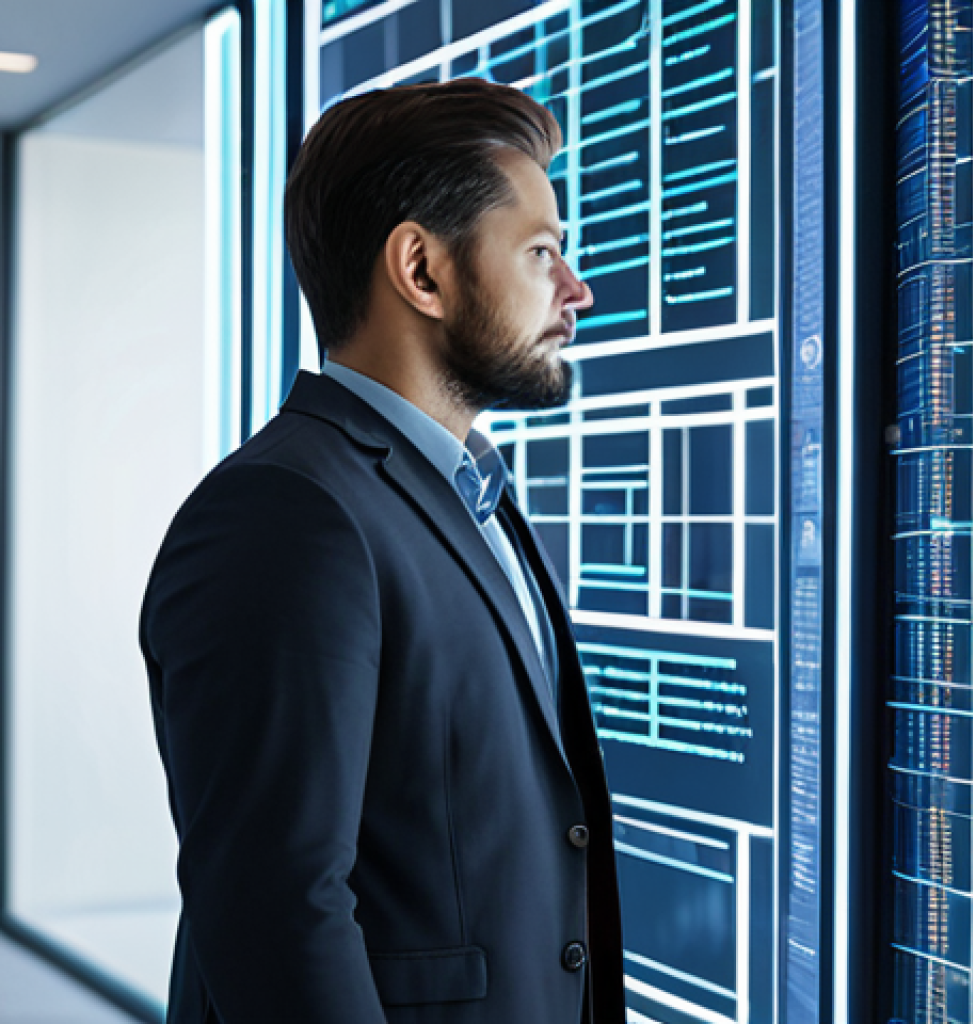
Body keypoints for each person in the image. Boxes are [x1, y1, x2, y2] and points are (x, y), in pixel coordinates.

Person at [140, 78, 625, 1024]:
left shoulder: (474, 494)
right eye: (540, 252)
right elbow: (276, 915)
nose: (576, 291)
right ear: (421, 270)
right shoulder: (283, 515)